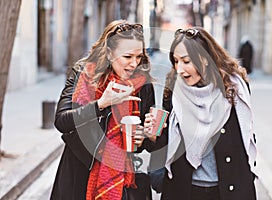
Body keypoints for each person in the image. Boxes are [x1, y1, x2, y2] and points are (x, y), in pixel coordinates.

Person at [50, 20, 156, 200]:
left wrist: (146, 136)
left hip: (120, 178)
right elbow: (62, 120)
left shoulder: (143, 85)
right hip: (78, 173)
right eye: (128, 56)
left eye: (138, 57)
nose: (134, 64)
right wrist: (101, 104)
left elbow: (146, 143)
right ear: (109, 53)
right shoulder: (84, 75)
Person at [147, 27, 257, 200]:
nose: (180, 69)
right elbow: (167, 143)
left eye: (186, 61)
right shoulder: (173, 88)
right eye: (176, 61)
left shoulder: (234, 88)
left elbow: (247, 133)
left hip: (229, 189)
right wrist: (153, 135)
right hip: (185, 189)